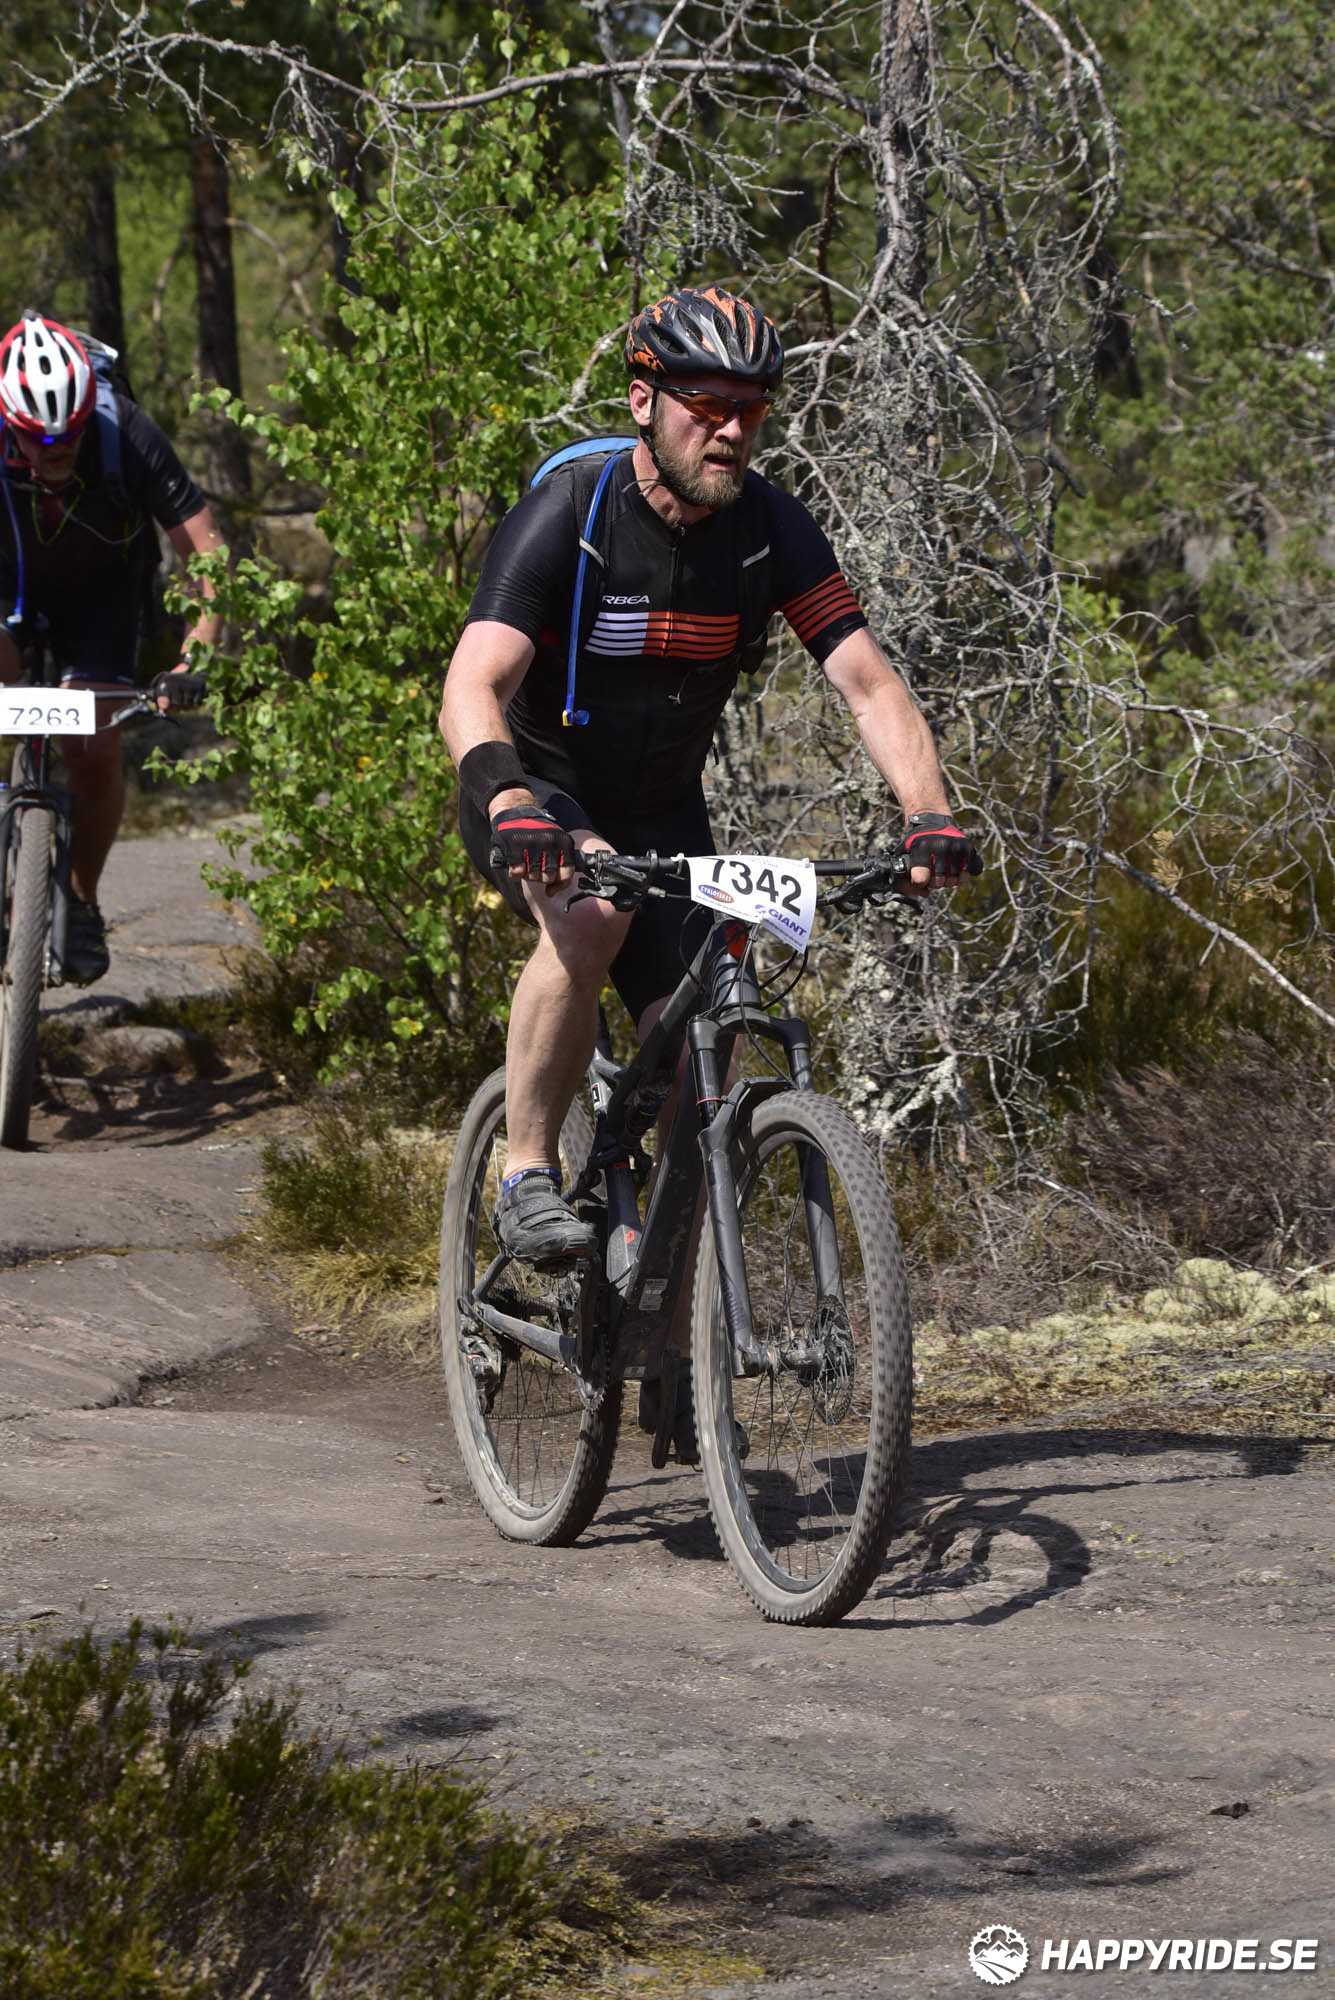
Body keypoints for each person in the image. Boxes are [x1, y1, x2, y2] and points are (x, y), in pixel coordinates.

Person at [441, 284, 977, 1444]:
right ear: (644, 400)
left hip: (664, 809)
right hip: (541, 791)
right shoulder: (573, 508)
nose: (731, 428)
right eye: (705, 404)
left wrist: (928, 813)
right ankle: (525, 1169)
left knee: (711, 1048)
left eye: (752, 408)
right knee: (589, 918)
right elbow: (473, 681)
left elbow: (867, 681)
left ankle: (670, 1331)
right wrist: (509, 798)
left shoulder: (769, 528)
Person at [0, 310, 224, 984]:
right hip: (6, 585)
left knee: (94, 751)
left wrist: (194, 660)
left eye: (68, 437)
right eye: (39, 440)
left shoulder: (124, 430)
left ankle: (80, 900)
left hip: (101, 593)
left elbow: (208, 558)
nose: (56, 452)